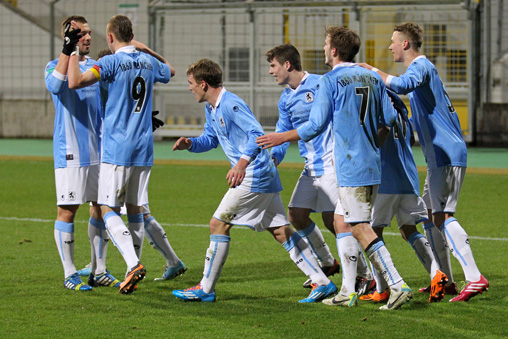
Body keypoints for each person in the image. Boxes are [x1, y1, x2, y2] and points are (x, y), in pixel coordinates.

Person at [257, 26, 412, 310]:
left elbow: (315, 125)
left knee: (358, 228)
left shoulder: (329, 81)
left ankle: (397, 285)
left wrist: (281, 138)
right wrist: (372, 143)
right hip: (370, 163)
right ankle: (348, 289)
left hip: (348, 165)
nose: (324, 49)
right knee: (344, 223)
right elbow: (389, 119)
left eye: (326, 44)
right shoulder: (372, 77)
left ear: (335, 50)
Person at [171, 59, 336, 303]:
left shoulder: (231, 104)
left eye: (191, 83)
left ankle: (205, 289)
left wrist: (241, 164)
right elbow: (211, 138)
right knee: (281, 231)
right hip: (262, 174)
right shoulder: (212, 107)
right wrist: (191, 144)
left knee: (218, 224)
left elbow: (256, 134)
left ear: (203, 84)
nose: (189, 88)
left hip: (254, 174)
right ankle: (322, 282)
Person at [358, 22, 488, 302]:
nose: (390, 46)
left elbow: (403, 85)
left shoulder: (420, 66)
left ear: (406, 44)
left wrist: (372, 72)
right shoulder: (422, 72)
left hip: (446, 154)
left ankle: (474, 277)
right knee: (430, 217)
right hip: (438, 155)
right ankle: (446, 280)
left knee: (442, 215)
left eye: (393, 41)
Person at [67, 15, 175, 294]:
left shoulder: (110, 62)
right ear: (133, 36)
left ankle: (132, 264)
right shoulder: (149, 62)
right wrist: (146, 49)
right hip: (145, 148)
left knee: (106, 208)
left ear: (111, 38)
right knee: (136, 208)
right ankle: (134, 266)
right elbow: (171, 70)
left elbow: (76, 81)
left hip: (118, 148)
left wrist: (70, 51)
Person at [265, 44, 374, 293]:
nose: (271, 71)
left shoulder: (321, 83)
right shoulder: (286, 97)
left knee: (338, 222)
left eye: (273, 65)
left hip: (333, 163)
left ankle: (365, 275)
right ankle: (327, 263)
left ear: (287, 65)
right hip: (311, 166)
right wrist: (274, 159)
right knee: (297, 214)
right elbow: (282, 132)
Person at [45, 16, 120, 291]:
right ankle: (69, 273)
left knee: (101, 207)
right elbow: (55, 87)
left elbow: (110, 101)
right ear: (68, 36)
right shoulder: (54, 66)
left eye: (89, 33)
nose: (88, 37)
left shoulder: (95, 68)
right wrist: (68, 51)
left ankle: (98, 269)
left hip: (99, 151)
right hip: (70, 151)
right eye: (81, 34)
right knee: (67, 210)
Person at [360, 89, 448, 304]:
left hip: (385, 181)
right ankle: (437, 273)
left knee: (371, 233)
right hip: (408, 180)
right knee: (408, 229)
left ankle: (382, 289)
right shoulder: (402, 115)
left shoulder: (381, 112)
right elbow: (411, 143)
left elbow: (380, 137)